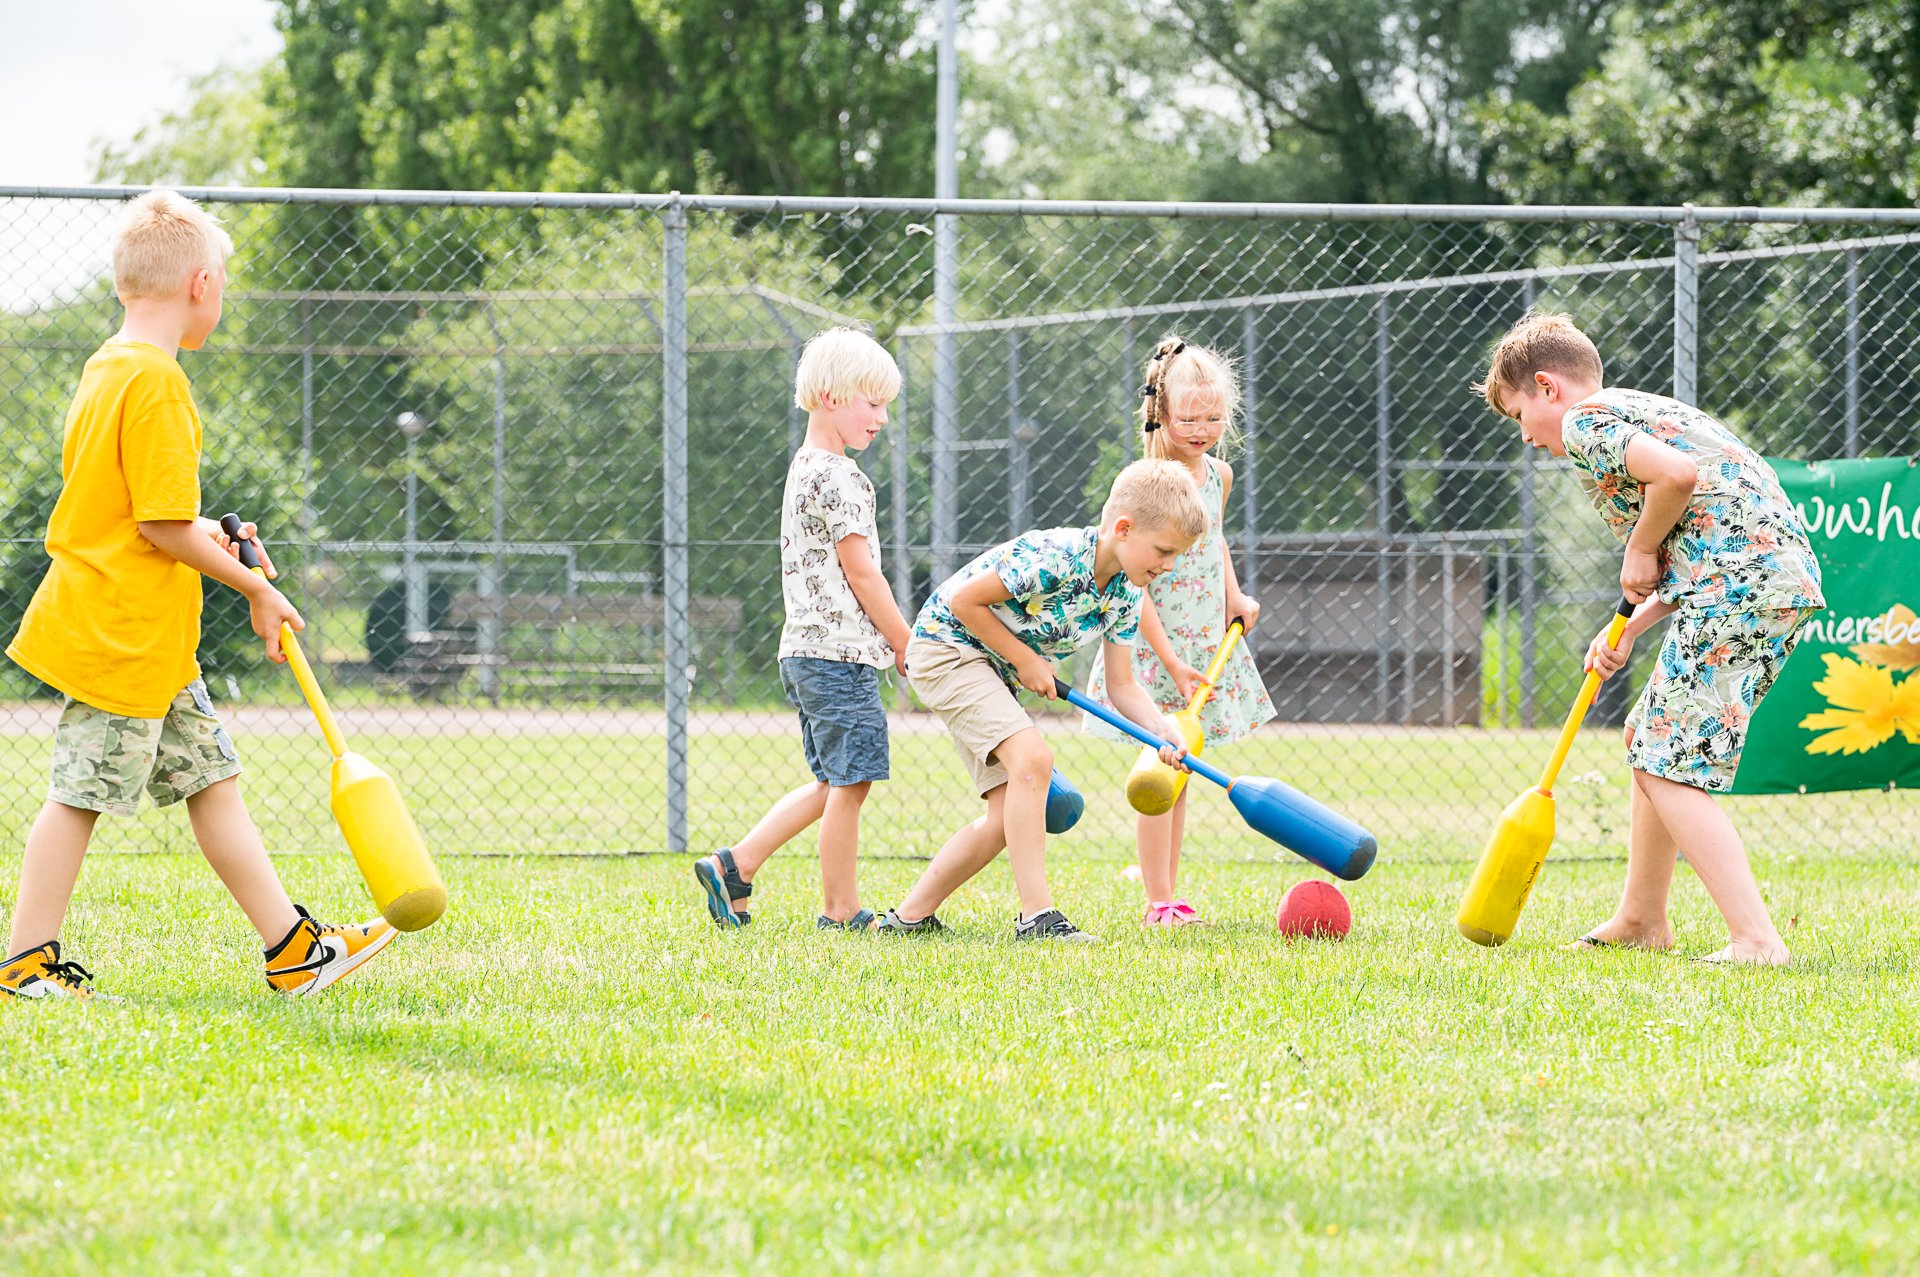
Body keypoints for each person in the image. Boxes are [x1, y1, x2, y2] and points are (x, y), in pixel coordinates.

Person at [0, 190, 397, 1001]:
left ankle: (292, 948)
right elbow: (157, 525)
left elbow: (146, 514)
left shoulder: (109, 367)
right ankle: (25, 964)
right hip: (123, 636)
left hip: (149, 638)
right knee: (79, 795)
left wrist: (212, 535)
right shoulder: (160, 382)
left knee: (211, 781)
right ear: (203, 285)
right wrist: (257, 586)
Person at [1477, 314, 1824, 965]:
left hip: (1739, 586)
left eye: (1519, 414)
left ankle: (1756, 938)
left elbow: (1678, 476)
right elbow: (1697, 529)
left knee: (1668, 760)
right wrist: (1633, 627)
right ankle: (1641, 917)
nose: (1526, 437)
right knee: (1648, 737)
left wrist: (1637, 546)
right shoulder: (1637, 410)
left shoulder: (1586, 421)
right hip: (1765, 581)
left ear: (1547, 388)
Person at [878, 459, 1207, 943]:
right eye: (1163, 551)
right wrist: (1023, 659)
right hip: (946, 649)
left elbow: (1122, 686)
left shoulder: (1125, 594)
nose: (1169, 565)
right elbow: (962, 602)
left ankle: (907, 918)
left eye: (1176, 555)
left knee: (1006, 814)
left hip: (989, 667)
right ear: (1123, 528)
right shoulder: (1054, 556)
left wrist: (1162, 730)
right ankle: (1037, 918)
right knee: (1034, 758)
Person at [692, 328, 912, 931]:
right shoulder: (842, 477)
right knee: (853, 782)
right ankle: (842, 912)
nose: (883, 419)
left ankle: (735, 865)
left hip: (806, 652)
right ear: (833, 396)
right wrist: (903, 641)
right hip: (838, 655)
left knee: (833, 780)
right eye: (873, 403)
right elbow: (863, 572)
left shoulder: (805, 467)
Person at [1085, 337, 1275, 926]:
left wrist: (1234, 596)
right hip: (1152, 643)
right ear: (1159, 413)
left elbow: (1212, 539)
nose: (1202, 429)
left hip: (1201, 641)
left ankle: (1168, 890)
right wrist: (1168, 661)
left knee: (1182, 767)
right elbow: (1128, 584)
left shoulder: (1218, 473)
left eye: (1214, 417)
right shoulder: (1142, 481)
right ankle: (1156, 901)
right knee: (1158, 765)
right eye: (1188, 418)